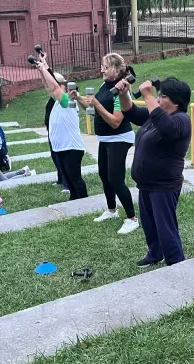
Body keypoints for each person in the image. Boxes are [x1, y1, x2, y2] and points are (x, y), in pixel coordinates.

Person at [113, 76, 192, 268]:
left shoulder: (181, 119)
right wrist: (124, 95)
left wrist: (147, 94)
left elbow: (168, 129)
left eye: (162, 96)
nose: (157, 99)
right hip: (146, 184)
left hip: (164, 186)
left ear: (176, 101)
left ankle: (176, 264)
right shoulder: (154, 115)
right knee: (149, 225)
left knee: (166, 228)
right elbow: (130, 112)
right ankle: (155, 254)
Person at [74, 53, 139, 235]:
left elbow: (115, 122)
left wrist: (96, 103)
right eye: (102, 65)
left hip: (119, 138)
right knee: (104, 176)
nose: (101, 69)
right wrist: (78, 97)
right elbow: (93, 111)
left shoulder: (121, 91)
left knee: (116, 180)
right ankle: (111, 210)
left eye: (106, 66)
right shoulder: (105, 85)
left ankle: (132, 219)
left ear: (118, 71)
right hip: (105, 139)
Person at [33, 52, 88, 200]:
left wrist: (44, 69)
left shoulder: (69, 103)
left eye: (63, 86)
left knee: (75, 178)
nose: (58, 87)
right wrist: (42, 68)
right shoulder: (58, 102)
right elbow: (49, 86)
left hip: (71, 148)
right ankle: (74, 198)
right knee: (68, 179)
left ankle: (85, 201)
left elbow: (54, 87)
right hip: (61, 147)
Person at [43, 68, 70, 194]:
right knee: (55, 157)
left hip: (62, 135)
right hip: (52, 134)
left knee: (63, 159)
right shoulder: (53, 98)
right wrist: (41, 68)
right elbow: (48, 83)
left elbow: (52, 84)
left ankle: (67, 184)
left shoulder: (62, 99)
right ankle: (60, 180)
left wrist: (45, 69)